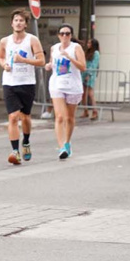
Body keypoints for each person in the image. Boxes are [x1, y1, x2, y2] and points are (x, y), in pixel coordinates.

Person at [0, 9, 45, 164]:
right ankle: (15, 151)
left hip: (27, 82)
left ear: (26, 24)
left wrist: (24, 60)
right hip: (9, 82)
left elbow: (41, 61)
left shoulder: (32, 40)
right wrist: (4, 64)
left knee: (25, 117)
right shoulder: (5, 41)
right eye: (16, 20)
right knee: (12, 117)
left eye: (21, 20)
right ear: (11, 23)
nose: (18, 23)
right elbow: (1, 56)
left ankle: (26, 141)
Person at [45, 24, 86, 159]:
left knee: (69, 117)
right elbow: (52, 63)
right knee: (60, 117)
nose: (64, 36)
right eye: (62, 33)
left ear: (71, 35)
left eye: (67, 33)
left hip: (73, 85)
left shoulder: (76, 47)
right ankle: (61, 146)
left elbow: (82, 67)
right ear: (58, 35)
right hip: (57, 84)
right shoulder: (54, 48)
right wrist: (48, 65)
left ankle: (67, 142)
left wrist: (70, 57)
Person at [80, 38, 100, 120]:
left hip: (90, 74)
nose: (88, 44)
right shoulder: (87, 52)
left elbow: (94, 64)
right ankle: (85, 110)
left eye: (89, 43)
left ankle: (95, 111)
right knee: (83, 93)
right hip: (84, 72)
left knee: (90, 93)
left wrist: (89, 74)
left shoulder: (96, 53)